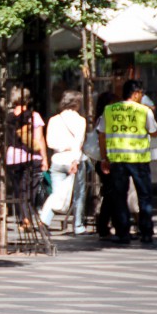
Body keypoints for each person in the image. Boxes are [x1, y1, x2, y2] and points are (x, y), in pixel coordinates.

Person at [98, 79, 157, 244]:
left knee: (119, 197)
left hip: (117, 159)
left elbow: (101, 135)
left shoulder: (109, 110)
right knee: (144, 196)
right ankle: (146, 232)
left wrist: (104, 158)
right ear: (137, 93)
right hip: (138, 159)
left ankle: (123, 233)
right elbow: (154, 132)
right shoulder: (144, 111)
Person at [38, 90, 87, 233]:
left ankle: (44, 220)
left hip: (57, 160)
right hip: (73, 160)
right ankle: (78, 226)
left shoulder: (54, 120)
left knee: (57, 194)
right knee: (78, 194)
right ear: (77, 103)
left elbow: (50, 142)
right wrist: (74, 160)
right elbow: (79, 143)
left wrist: (62, 147)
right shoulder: (80, 120)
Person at [5, 85, 49, 230]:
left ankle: (24, 218)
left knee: (18, 190)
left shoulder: (8, 117)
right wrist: (44, 158)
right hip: (30, 157)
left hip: (12, 157)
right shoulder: (33, 116)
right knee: (29, 190)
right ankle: (27, 218)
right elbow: (39, 138)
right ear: (28, 100)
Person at [92, 91, 118, 239]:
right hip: (106, 160)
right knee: (110, 194)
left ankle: (108, 225)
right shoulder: (104, 118)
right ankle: (104, 226)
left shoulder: (101, 118)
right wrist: (105, 159)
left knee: (111, 194)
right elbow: (103, 139)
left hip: (105, 159)